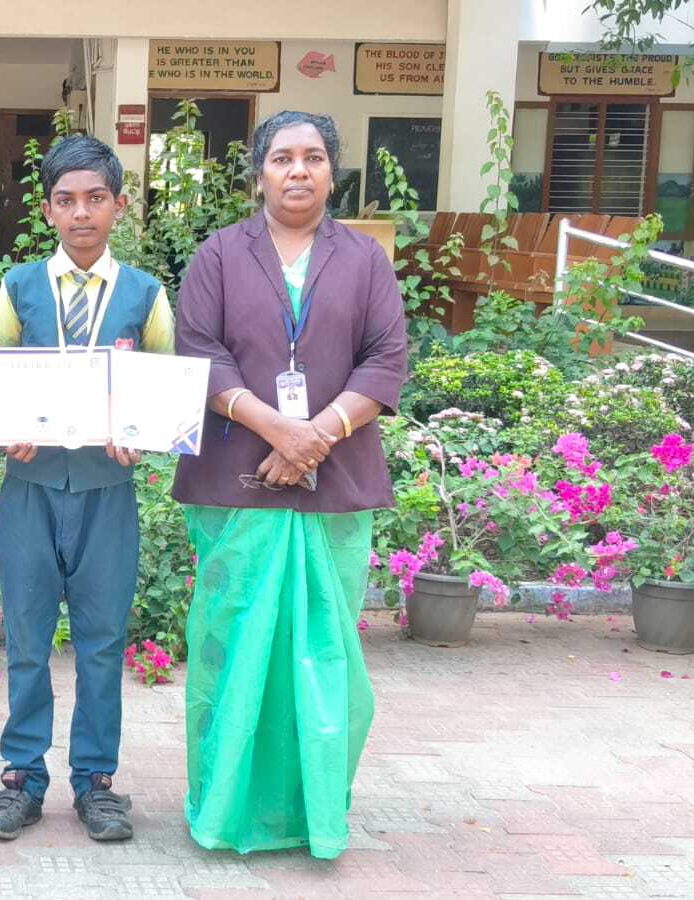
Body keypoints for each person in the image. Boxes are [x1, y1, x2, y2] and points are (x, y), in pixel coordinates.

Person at [172, 110, 407, 859]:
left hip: (335, 485)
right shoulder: (218, 254)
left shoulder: (365, 259)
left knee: (324, 654)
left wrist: (316, 437)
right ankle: (225, 809)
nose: (297, 170)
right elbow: (198, 352)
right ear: (259, 172)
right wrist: (279, 430)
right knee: (234, 653)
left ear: (333, 171)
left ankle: (316, 814)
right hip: (236, 481)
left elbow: (386, 359)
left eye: (312, 157)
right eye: (281, 158)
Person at [0, 135, 174, 843]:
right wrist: (4, 429)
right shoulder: (19, 287)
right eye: (66, 200)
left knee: (102, 642)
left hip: (106, 491)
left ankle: (96, 781)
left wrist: (144, 433)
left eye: (95, 199)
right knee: (27, 639)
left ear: (119, 205)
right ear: (48, 210)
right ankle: (22, 778)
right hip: (29, 488)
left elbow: (167, 385)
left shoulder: (145, 294)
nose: (81, 213)